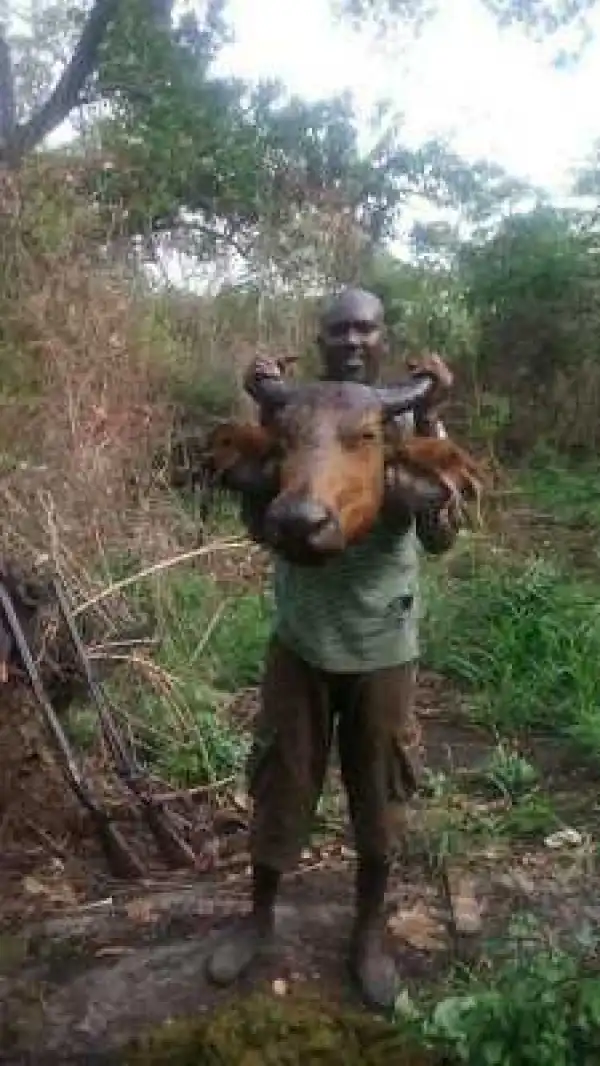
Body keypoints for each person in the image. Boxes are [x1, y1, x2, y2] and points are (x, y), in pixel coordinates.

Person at [205, 287, 461, 1012]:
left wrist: (432, 416)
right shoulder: (295, 414)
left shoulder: (407, 418)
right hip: (301, 641)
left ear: (384, 336)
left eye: (365, 327)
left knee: (379, 792)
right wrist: (264, 412)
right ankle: (258, 918)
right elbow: (262, 525)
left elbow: (441, 539)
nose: (352, 339)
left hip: (382, 645)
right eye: (338, 329)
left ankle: (369, 933)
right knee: (281, 778)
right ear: (320, 339)